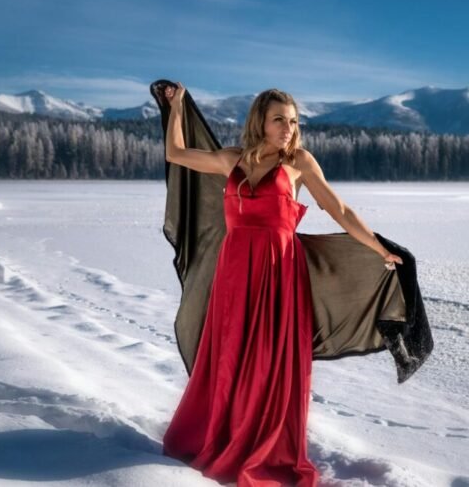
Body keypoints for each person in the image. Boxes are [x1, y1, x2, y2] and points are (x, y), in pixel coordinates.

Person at [160, 81, 403, 486]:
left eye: (292, 121)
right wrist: (178, 108)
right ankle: (223, 434)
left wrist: (378, 247)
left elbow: (339, 208)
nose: (288, 128)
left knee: (270, 363)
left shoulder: (300, 163)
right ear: (261, 122)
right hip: (235, 275)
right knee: (231, 358)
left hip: (279, 276)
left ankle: (263, 448)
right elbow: (175, 154)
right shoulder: (231, 160)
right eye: (279, 120)